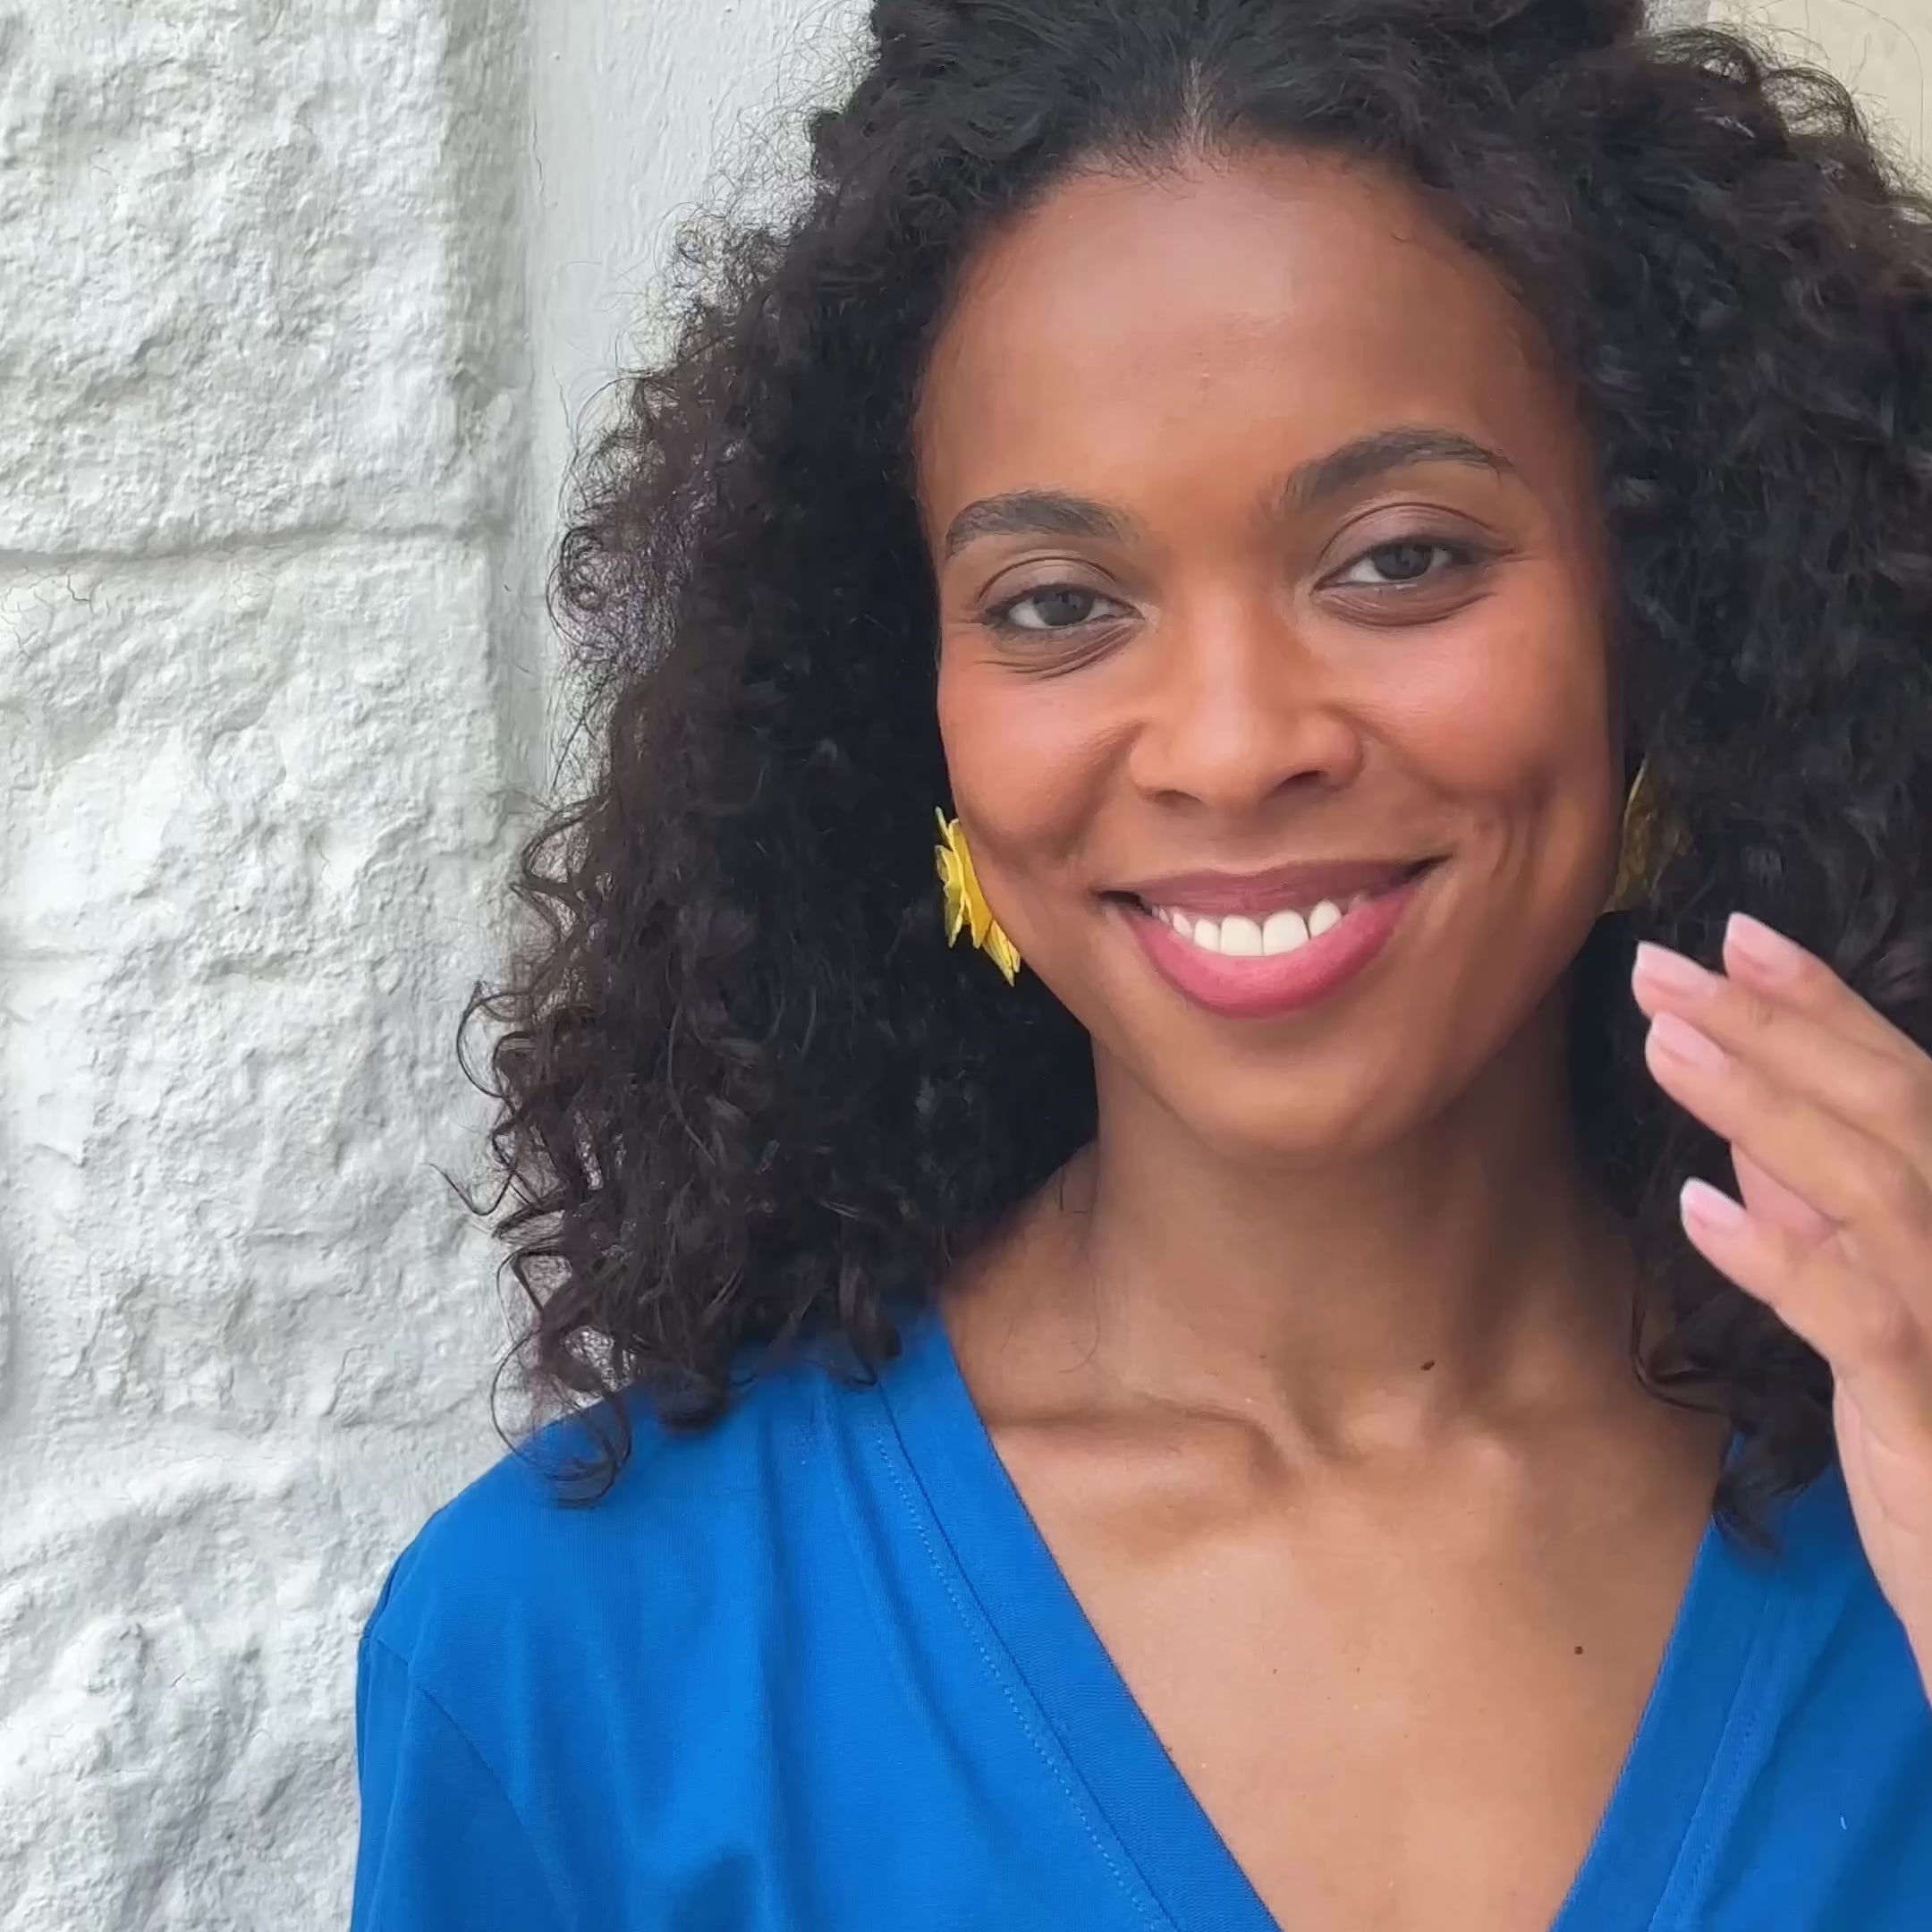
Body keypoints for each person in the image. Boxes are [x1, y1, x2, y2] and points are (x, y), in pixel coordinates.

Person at [347, 2, 1932, 1926]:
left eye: (1402, 557)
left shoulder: (1900, 1484)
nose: (1233, 739)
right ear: (901, 706)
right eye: (1060, 605)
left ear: (1674, 608)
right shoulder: (588, 1660)